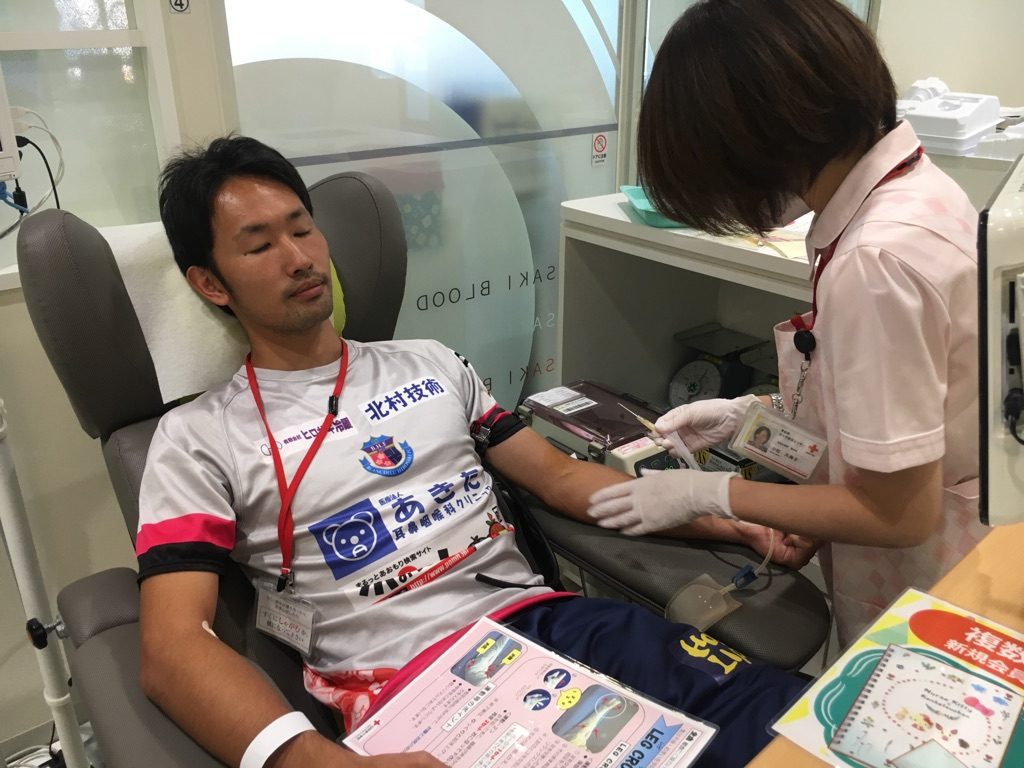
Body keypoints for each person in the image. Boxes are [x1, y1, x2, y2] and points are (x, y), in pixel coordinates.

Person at [136, 135, 814, 768]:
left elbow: (560, 479)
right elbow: (172, 648)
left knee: (797, 727)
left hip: (554, 624)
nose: (299, 258)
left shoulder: (429, 363)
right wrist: (319, 761)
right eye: (259, 246)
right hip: (418, 691)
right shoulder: (199, 437)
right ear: (211, 284)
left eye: (302, 228)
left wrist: (729, 520)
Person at [588, 0, 987, 647]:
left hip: (933, 583)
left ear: (754, 137)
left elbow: (898, 513)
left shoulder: (876, 260)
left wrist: (711, 493)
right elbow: (901, 413)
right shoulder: (911, 190)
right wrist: (753, 422)